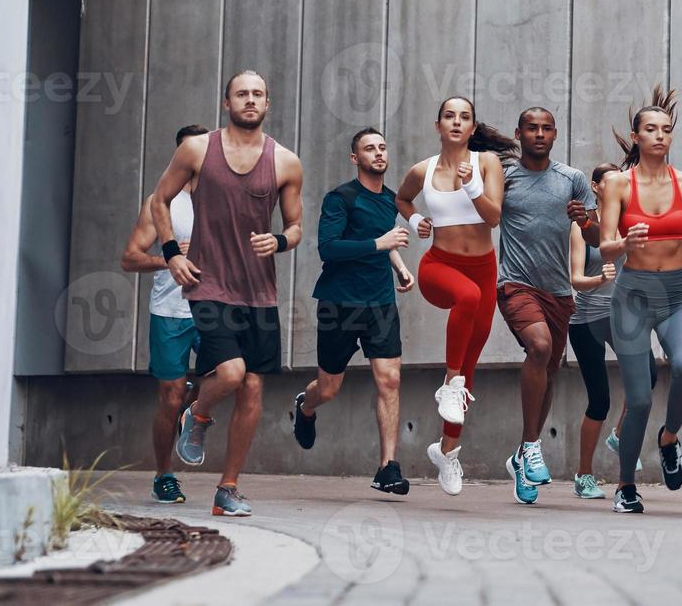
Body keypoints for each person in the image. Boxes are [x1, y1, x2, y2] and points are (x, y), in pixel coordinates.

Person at [151, 70, 304, 517]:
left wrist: (279, 240)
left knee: (253, 389)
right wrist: (171, 254)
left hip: (260, 291)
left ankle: (228, 488)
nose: (250, 100)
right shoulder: (197, 149)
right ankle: (196, 413)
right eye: (242, 94)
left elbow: (296, 227)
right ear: (226, 102)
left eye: (257, 94)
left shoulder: (285, 162)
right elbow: (160, 200)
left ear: (268, 103)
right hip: (209, 284)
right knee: (233, 374)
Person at [598, 86, 682, 513]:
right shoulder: (617, 185)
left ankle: (669, 439)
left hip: (678, 292)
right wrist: (624, 242)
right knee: (640, 397)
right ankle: (626, 484)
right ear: (637, 135)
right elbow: (606, 245)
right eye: (651, 129)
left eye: (666, 129)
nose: (660, 136)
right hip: (633, 295)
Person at [394, 96, 511, 497]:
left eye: (464, 117)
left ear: (473, 127)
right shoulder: (422, 171)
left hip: (484, 267)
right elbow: (401, 197)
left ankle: (447, 451)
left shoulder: (486, 164)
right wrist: (415, 219)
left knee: (469, 372)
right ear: (438, 125)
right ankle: (449, 380)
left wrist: (471, 185)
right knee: (466, 298)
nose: (457, 122)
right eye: (449, 116)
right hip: (439, 268)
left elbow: (493, 216)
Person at [291, 128, 417, 495]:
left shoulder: (392, 200)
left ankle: (387, 468)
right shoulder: (340, 199)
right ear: (354, 158)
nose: (378, 153)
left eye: (381, 147)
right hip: (339, 303)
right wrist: (381, 243)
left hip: (380, 303)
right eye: (369, 149)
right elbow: (329, 249)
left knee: (389, 380)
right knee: (329, 388)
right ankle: (306, 405)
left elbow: (384, 240)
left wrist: (399, 266)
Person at [497, 107, 601, 504]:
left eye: (546, 128)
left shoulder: (572, 179)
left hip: (558, 292)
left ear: (555, 134)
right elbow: (486, 215)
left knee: (550, 372)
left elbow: (593, 236)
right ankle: (530, 444)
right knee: (538, 347)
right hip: (516, 283)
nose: (539, 134)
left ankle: (522, 457)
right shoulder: (504, 177)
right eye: (531, 128)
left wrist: (584, 219)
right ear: (519, 133)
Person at [119, 123, 209, 504]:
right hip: (171, 311)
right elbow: (129, 258)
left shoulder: (226, 200)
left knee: (231, 375)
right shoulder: (162, 201)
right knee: (169, 397)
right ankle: (163, 475)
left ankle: (197, 407)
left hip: (215, 307)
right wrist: (169, 259)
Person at [566, 162, 657, 499]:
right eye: (611, 180)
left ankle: (619, 435)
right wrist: (600, 280)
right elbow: (575, 279)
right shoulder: (584, 227)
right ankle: (583, 475)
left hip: (622, 317)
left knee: (648, 375)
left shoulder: (628, 224)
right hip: (586, 320)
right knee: (599, 400)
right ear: (595, 187)